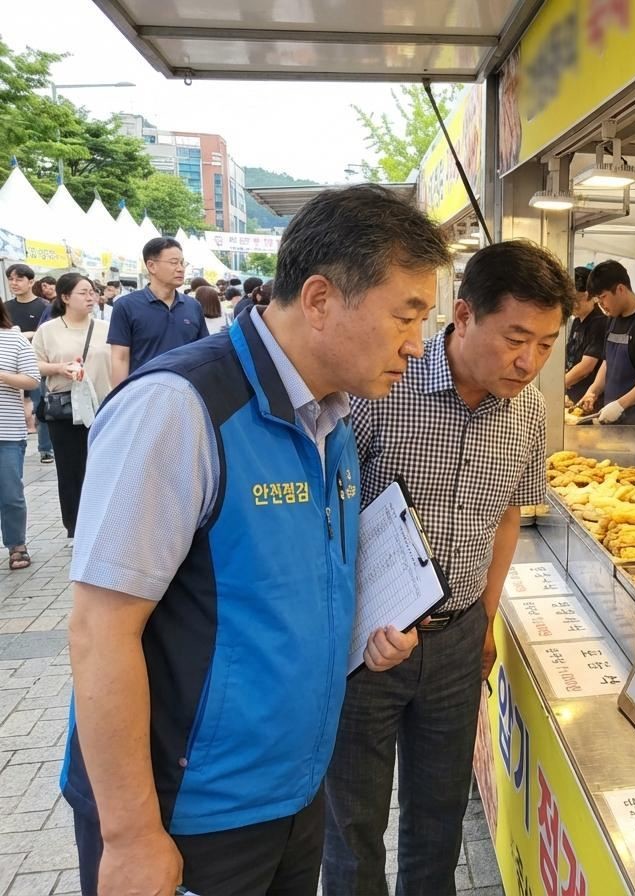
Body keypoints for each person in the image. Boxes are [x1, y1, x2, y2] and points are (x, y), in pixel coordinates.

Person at [62, 184, 448, 896]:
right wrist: (132, 835)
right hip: (189, 815)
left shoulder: (332, 422)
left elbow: (274, 588)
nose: (417, 344)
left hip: (292, 794)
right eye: (407, 314)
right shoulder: (180, 408)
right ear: (322, 298)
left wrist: (360, 635)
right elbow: (97, 631)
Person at [323, 239, 573, 896]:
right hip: (366, 644)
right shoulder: (382, 390)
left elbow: (510, 515)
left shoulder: (530, 411)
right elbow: (329, 515)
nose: (529, 361)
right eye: (515, 337)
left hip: (460, 638)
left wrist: (487, 619)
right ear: (462, 316)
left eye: (547, 344)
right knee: (353, 823)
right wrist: (353, 618)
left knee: (438, 817)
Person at [32, 273, 113, 541]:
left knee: (104, 467)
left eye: (93, 292)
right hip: (65, 411)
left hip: (103, 408)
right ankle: (77, 528)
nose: (91, 297)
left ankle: (105, 523)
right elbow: (34, 364)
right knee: (70, 470)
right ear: (65, 297)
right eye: (83, 292)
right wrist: (60, 368)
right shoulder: (49, 330)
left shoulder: (105, 328)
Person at [107, 238, 208, 387]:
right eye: (174, 262)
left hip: (187, 394)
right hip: (143, 395)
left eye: (182, 263)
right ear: (151, 266)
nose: (180, 268)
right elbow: (120, 358)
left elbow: (202, 352)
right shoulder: (126, 306)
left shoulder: (193, 306)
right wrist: (119, 400)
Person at [578, 260, 635, 424]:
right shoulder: (613, 319)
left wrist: (620, 405)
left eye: (603, 297)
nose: (601, 305)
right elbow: (608, 361)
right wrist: (594, 390)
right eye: (598, 300)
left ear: (620, 289)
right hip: (614, 420)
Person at [0, 300, 41, 570]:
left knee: (10, 493)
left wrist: (2, 376)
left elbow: (32, 379)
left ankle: (17, 545)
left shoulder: (14, 341)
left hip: (7, 431)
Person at [5, 263, 54, 463]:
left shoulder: (44, 306)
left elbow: (47, 333)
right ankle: (14, 441)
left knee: (41, 404)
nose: (13, 283)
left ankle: (45, 448)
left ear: (31, 282)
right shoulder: (6, 307)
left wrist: (28, 334)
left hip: (36, 362)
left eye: (19, 279)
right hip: (9, 363)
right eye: (10, 279)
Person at [564, 265, 607, 407]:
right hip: (572, 396)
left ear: (594, 297)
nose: (574, 305)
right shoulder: (577, 321)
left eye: (579, 298)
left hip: (589, 399)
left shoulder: (599, 323)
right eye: (571, 299)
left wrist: (559, 386)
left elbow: (586, 367)